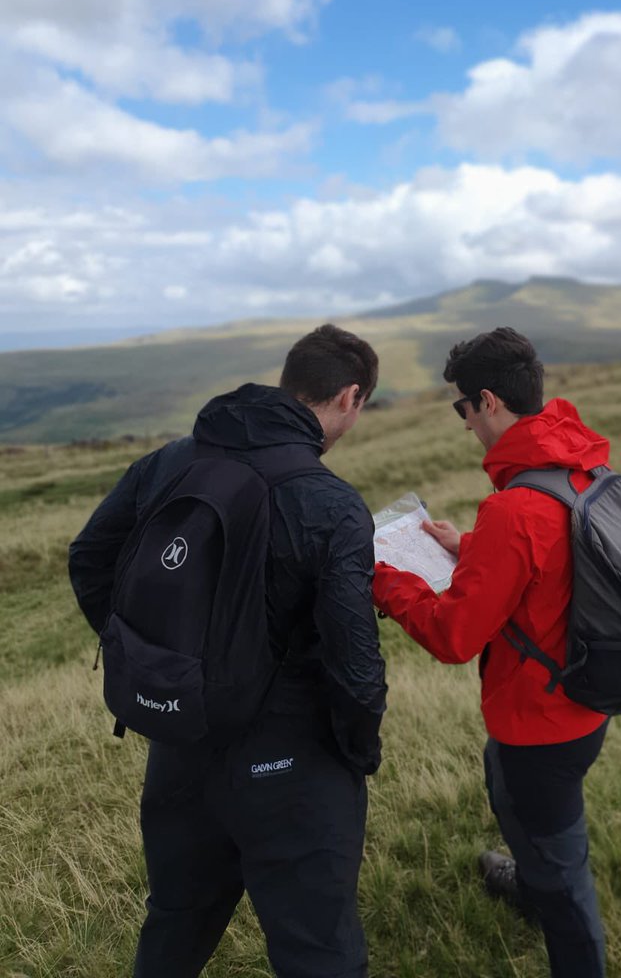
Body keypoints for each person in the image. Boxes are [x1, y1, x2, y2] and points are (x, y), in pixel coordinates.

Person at [69, 323, 387, 978]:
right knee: (317, 951)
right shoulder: (330, 503)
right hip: (294, 765)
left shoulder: (169, 460)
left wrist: (155, 663)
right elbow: (355, 663)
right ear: (351, 398)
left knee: (177, 921)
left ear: (287, 381)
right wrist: (357, 753)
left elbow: (91, 558)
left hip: (181, 745)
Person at [373, 327, 611, 978]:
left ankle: (555, 912)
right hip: (583, 697)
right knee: (505, 783)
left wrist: (386, 579)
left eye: (462, 410)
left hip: (543, 721)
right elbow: (554, 555)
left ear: (488, 402)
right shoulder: (579, 464)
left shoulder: (515, 508)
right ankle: (532, 881)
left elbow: (454, 637)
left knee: (567, 879)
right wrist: (471, 547)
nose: (465, 424)